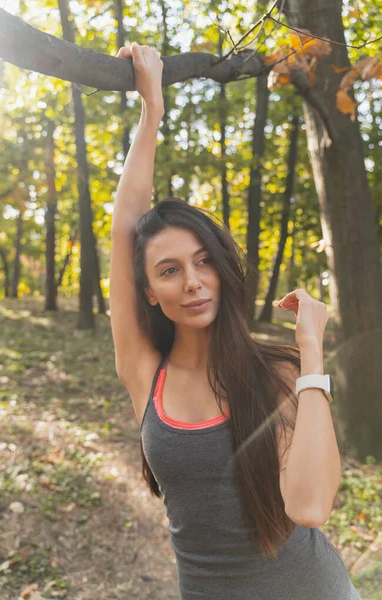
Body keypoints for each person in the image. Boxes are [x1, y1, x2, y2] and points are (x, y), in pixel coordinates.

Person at [109, 42, 361, 600]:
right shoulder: (143, 370)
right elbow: (126, 224)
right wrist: (152, 111)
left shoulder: (275, 374)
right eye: (170, 270)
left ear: (222, 270)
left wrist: (311, 353)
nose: (193, 281)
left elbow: (310, 506)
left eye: (204, 262)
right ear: (147, 291)